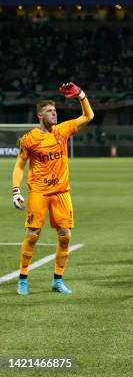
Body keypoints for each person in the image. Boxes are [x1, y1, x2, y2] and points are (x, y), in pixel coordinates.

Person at [12, 82, 94, 295]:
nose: (54, 114)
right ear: (40, 115)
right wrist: (15, 190)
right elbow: (20, 164)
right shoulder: (30, 139)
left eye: (55, 110)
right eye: (50, 111)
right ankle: (23, 278)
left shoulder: (62, 130)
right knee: (32, 234)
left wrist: (81, 95)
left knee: (65, 235)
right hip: (39, 192)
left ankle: (57, 280)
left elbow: (88, 116)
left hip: (61, 192)